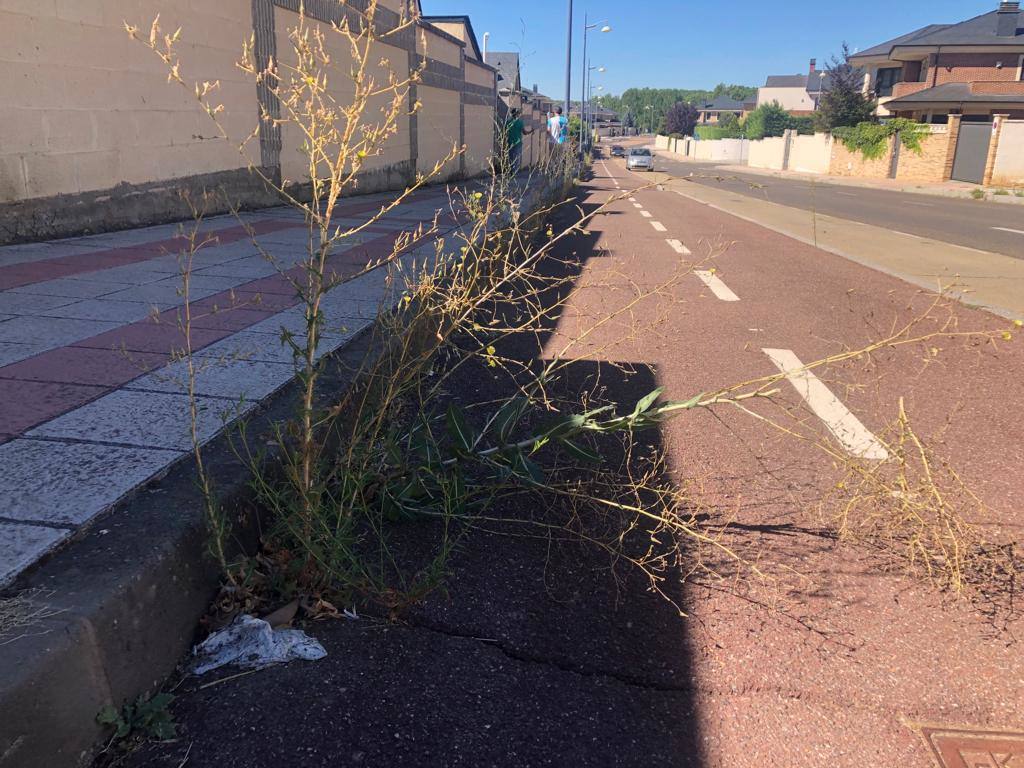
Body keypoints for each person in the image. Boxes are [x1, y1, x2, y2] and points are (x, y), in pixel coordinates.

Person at [504, 108, 532, 174]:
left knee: (510, 157)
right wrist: (531, 131)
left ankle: (510, 171)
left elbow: (505, 132)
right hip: (517, 143)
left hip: (509, 142)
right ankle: (514, 172)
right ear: (517, 114)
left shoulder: (508, 122)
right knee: (516, 158)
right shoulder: (520, 122)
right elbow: (525, 133)